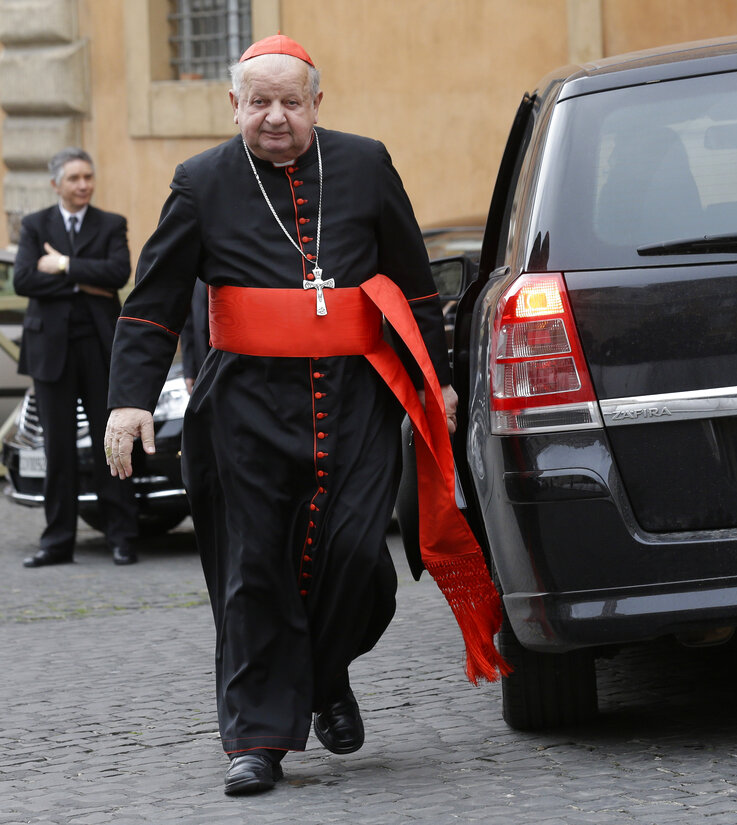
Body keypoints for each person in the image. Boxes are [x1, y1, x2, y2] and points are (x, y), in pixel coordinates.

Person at [102, 35, 505, 796]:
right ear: (235, 106)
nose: (276, 117)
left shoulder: (365, 163)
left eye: (291, 101)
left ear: (318, 103)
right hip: (242, 409)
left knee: (358, 558)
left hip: (355, 396)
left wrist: (440, 383)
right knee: (255, 570)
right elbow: (152, 304)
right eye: (260, 103)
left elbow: (414, 286)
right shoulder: (200, 182)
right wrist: (128, 401)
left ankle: (324, 678)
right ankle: (257, 739)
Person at [14, 147, 139, 567]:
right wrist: (85, 279)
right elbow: (25, 280)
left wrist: (64, 264)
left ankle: (122, 537)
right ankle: (57, 542)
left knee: (111, 444)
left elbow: (118, 274)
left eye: (88, 177)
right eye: (74, 179)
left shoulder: (110, 224)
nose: (83, 185)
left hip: (100, 350)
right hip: (50, 353)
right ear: (56, 184)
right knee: (59, 450)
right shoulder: (34, 225)